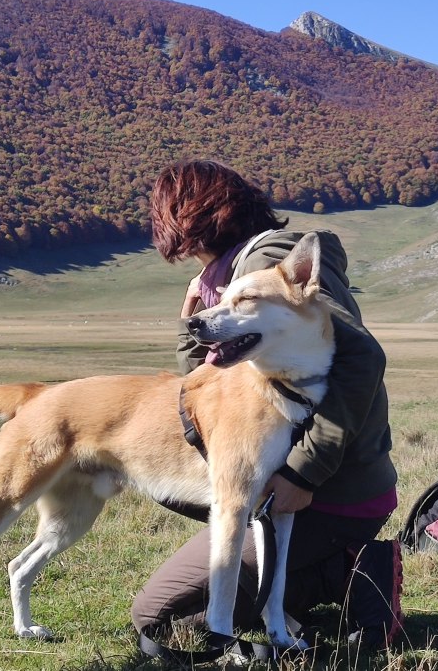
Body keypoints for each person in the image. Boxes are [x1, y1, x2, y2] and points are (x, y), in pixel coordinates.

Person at [131, 159, 402, 650]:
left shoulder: (270, 266)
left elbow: (362, 357)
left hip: (330, 494)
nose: (189, 262)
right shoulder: (235, 275)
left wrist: (303, 473)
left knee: (162, 618)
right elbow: (207, 385)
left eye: (185, 248)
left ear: (194, 226)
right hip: (301, 490)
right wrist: (191, 318)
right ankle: (315, 569)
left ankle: (348, 573)